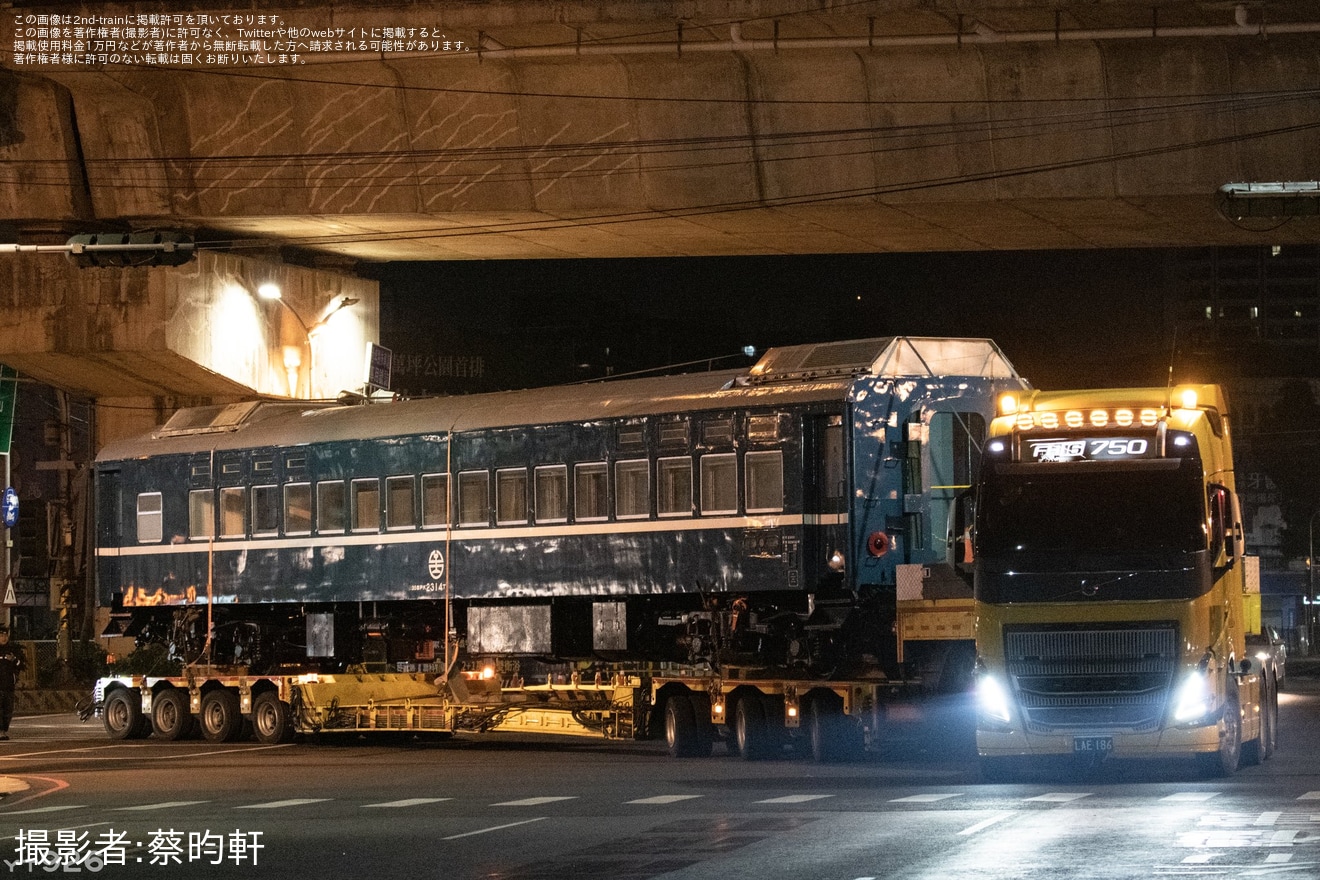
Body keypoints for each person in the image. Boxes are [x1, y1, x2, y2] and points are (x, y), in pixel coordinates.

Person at [0, 626, 25, 740]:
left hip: (9, 685)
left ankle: (4, 729)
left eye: (5, 635)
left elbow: (21, 665)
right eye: (1, 636)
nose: (3, 638)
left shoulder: (13, 649)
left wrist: (14, 659)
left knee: (8, 710)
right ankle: (0, 731)